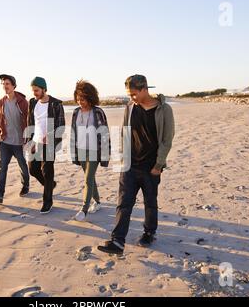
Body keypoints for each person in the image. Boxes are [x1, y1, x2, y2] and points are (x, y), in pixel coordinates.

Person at [98, 75, 175, 255]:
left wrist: (159, 164)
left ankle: (149, 232)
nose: (131, 98)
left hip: (151, 167)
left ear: (144, 89)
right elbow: (125, 132)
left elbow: (167, 139)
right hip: (130, 165)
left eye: (133, 94)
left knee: (150, 202)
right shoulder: (130, 107)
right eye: (129, 94)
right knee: (123, 204)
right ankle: (117, 241)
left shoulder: (164, 110)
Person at [0, 74, 30, 205]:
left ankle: (25, 185)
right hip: (5, 141)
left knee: (23, 166)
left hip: (19, 143)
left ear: (14, 86)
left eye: (7, 84)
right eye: (3, 84)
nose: (5, 86)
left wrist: (29, 139)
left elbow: (29, 121)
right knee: (2, 168)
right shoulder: (1, 102)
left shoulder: (23, 102)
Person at [70, 80, 110, 222]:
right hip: (80, 149)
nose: (80, 101)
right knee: (90, 178)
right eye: (78, 98)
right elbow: (73, 133)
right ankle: (98, 202)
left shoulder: (98, 112)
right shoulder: (75, 112)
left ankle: (84, 210)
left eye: (83, 98)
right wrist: (73, 152)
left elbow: (104, 133)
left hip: (94, 150)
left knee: (87, 179)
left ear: (90, 97)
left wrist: (105, 154)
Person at [26, 77, 65, 214]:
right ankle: (50, 186)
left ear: (44, 89)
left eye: (36, 90)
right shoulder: (32, 102)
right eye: (33, 90)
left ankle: (47, 201)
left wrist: (51, 136)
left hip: (49, 143)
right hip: (36, 141)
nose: (34, 93)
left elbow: (61, 125)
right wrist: (30, 141)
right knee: (33, 169)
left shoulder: (56, 104)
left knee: (47, 172)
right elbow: (30, 122)